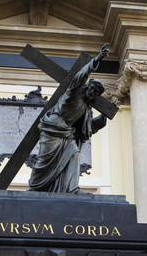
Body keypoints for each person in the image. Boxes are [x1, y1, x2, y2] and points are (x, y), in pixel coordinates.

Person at [28, 44, 109, 193]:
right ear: (87, 86)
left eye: (97, 92)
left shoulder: (85, 107)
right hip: (52, 128)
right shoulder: (73, 92)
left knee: (74, 153)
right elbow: (79, 77)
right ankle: (34, 186)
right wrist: (96, 60)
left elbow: (85, 129)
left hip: (67, 133)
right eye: (93, 88)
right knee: (44, 162)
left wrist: (102, 118)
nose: (93, 92)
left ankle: (72, 189)